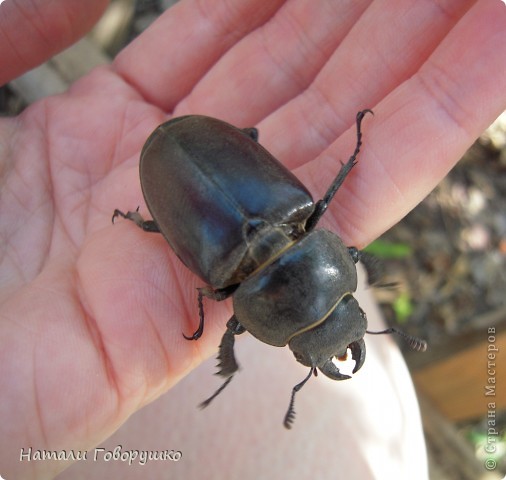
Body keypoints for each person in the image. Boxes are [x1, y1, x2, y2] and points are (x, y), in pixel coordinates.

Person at [1, 1, 505, 478]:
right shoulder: (221, 281)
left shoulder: (299, 216)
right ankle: (145, 222)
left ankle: (149, 220)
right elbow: (226, 308)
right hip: (188, 160)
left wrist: (351, 156)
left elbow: (337, 244)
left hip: (193, 155)